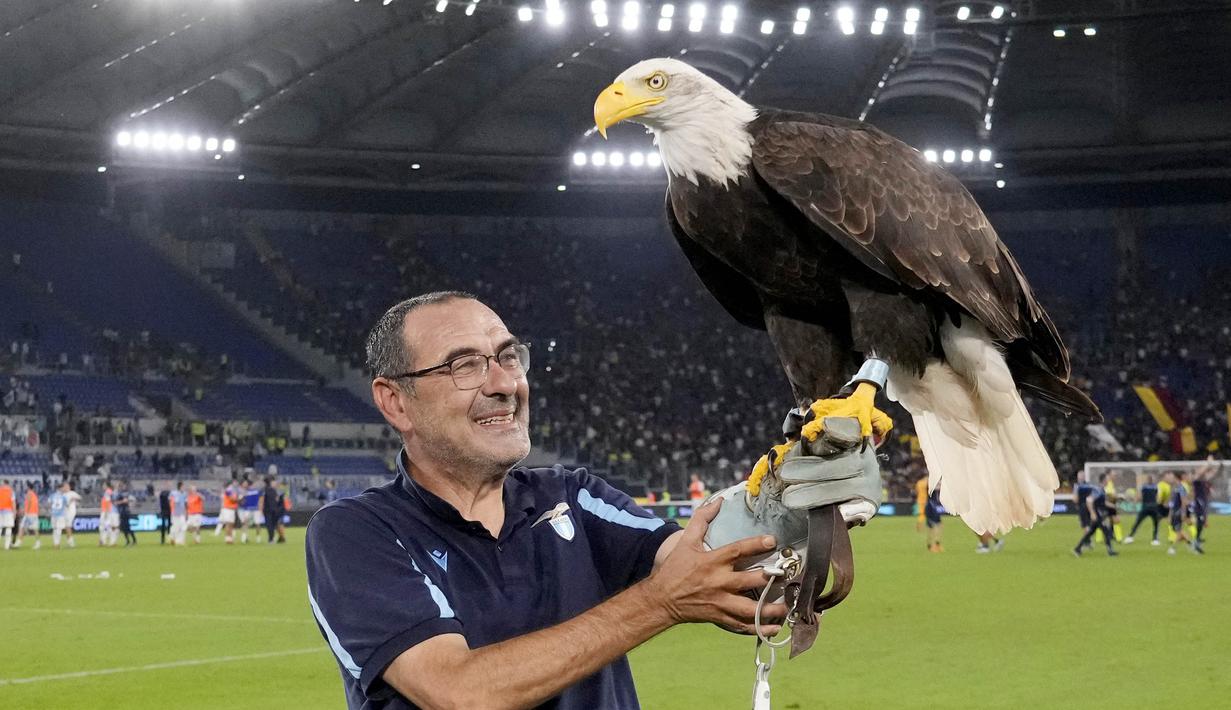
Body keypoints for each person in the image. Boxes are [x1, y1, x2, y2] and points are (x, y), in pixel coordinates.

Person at [305, 292, 785, 709]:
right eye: (465, 365)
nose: (504, 384)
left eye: (508, 357)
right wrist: (660, 603)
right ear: (395, 402)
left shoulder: (572, 496)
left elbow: (711, 563)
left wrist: (795, 506)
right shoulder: (354, 532)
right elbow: (460, 694)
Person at [1074, 477, 1118, 557]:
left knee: (1090, 533)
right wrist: (1092, 513)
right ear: (1104, 481)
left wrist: (1113, 506)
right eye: (1107, 480)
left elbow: (1103, 502)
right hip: (1098, 515)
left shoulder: (1101, 490)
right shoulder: (1097, 490)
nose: (1108, 482)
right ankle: (1110, 551)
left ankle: (1077, 548)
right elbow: (1089, 500)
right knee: (1106, 531)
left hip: (1099, 514)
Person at [1125, 474, 1163, 545]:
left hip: (1145, 507)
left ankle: (1130, 537)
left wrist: (1134, 502)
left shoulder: (1143, 487)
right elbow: (1158, 498)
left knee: (1138, 522)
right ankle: (1155, 539)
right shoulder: (1156, 487)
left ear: (1147, 480)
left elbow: (1140, 497)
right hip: (1154, 507)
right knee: (1156, 524)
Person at [15, 483, 39, 549]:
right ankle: (37, 542)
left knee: (22, 527)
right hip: (34, 513)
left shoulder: (29, 493)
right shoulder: (34, 494)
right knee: (32, 528)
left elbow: (29, 503)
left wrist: (25, 512)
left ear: (28, 487)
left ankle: (18, 542)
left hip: (29, 514)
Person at [217, 478, 239, 543]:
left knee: (231, 524)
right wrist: (239, 499)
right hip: (227, 509)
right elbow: (233, 499)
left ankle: (230, 538)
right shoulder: (228, 490)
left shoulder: (232, 491)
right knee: (228, 524)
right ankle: (227, 538)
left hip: (232, 509)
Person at [239, 479, 261, 544]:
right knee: (246, 523)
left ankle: (257, 537)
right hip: (249, 509)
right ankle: (245, 537)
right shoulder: (246, 492)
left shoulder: (255, 491)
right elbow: (242, 501)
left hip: (254, 509)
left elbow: (260, 500)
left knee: (256, 524)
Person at [261, 477, 283, 543]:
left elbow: (278, 501)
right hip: (271, 511)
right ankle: (273, 538)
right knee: (271, 525)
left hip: (271, 511)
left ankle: (273, 538)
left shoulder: (268, 491)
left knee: (271, 525)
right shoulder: (270, 491)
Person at [115, 482, 136, 546]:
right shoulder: (119, 494)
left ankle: (133, 540)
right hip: (122, 512)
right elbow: (117, 502)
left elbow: (127, 501)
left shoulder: (125, 494)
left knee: (127, 527)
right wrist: (121, 502)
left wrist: (120, 502)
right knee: (124, 527)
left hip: (125, 512)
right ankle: (129, 541)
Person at [49, 481, 69, 549]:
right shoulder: (63, 497)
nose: (64, 489)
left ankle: (55, 543)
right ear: (60, 488)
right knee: (59, 529)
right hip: (60, 515)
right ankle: (57, 544)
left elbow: (49, 504)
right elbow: (67, 505)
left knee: (54, 529)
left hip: (53, 514)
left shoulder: (52, 495)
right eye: (63, 487)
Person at [98, 482, 118, 547]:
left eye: (104, 485)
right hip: (107, 511)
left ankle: (106, 541)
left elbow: (107, 502)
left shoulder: (108, 492)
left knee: (105, 526)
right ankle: (105, 541)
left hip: (106, 512)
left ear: (107, 485)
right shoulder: (108, 492)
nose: (103, 486)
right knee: (106, 527)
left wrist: (106, 512)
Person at [63, 481, 82, 548]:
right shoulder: (63, 495)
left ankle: (71, 542)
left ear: (69, 487)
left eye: (66, 486)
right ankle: (69, 541)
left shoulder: (72, 493)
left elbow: (80, 497)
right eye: (64, 486)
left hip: (71, 512)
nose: (64, 488)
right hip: (65, 512)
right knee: (67, 527)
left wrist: (73, 499)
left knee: (68, 526)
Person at [169, 481, 188, 546]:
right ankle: (172, 538)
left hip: (182, 513)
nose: (184, 487)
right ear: (180, 487)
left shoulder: (185, 494)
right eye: (183, 486)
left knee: (183, 526)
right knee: (175, 527)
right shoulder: (173, 493)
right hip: (175, 513)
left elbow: (185, 504)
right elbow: (170, 501)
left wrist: (186, 512)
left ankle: (180, 540)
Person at [0, 479, 14, 550]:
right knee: (8, 528)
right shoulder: (11, 491)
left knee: (0, 528)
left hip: (0, 511)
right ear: (8, 484)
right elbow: (13, 502)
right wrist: (14, 512)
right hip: (8, 511)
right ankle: (6, 546)